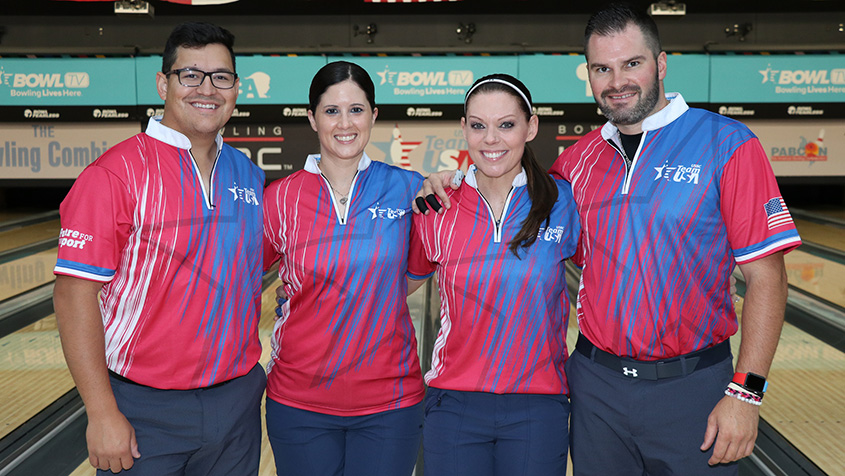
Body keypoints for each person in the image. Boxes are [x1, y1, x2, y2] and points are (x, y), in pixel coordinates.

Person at [418, 4, 801, 474]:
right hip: (596, 389)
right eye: (602, 68)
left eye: (631, 63)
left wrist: (747, 393)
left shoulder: (727, 144)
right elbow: (508, 194)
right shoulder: (576, 163)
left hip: (693, 388)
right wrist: (447, 180)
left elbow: (768, 277)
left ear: (661, 63)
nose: (617, 81)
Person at [52, 22, 266, 475]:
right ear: (163, 84)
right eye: (190, 75)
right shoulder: (115, 174)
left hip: (237, 403)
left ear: (236, 88)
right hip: (142, 410)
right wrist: (101, 412)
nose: (206, 89)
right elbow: (73, 296)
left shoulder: (247, 173)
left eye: (221, 77)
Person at [408, 74, 580, 476]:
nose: (491, 139)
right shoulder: (437, 206)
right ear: (464, 128)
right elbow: (392, 289)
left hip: (538, 404)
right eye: (478, 125)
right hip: (454, 403)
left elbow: (611, 273)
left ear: (530, 127)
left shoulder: (562, 202)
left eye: (506, 124)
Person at [262, 61, 426, 476]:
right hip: (299, 403)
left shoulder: (408, 189)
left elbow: (413, 275)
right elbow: (240, 281)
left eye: (356, 109)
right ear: (312, 117)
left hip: (390, 403)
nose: (345, 123)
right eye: (331, 111)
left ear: (373, 115)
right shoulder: (279, 198)